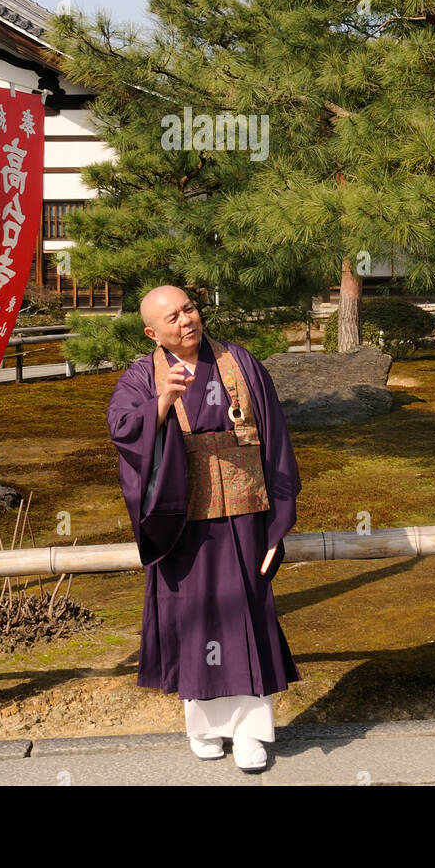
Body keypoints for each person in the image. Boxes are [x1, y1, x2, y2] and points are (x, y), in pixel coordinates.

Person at [105, 285, 302, 771]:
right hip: (183, 519)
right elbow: (121, 427)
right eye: (171, 317)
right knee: (192, 622)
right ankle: (205, 729)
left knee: (248, 618)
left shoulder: (241, 362)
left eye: (189, 309)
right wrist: (162, 403)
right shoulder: (141, 376)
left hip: (243, 513)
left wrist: (277, 521)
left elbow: (274, 433)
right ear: (153, 332)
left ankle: (253, 734)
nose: (186, 321)